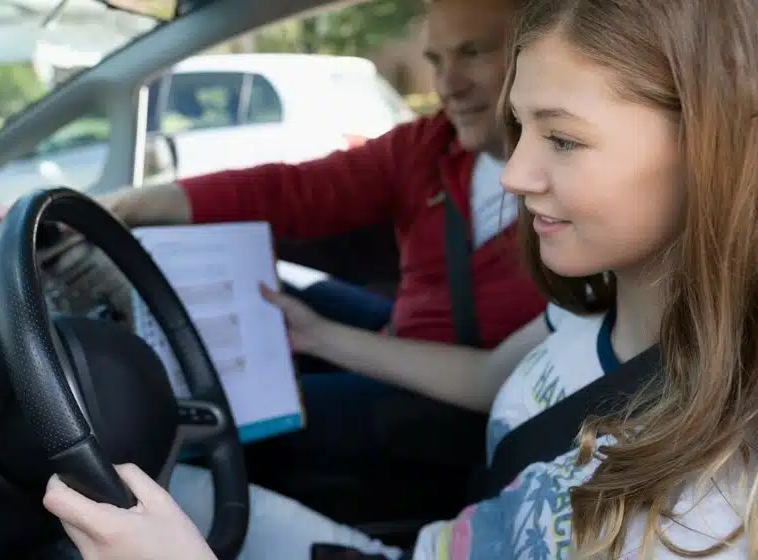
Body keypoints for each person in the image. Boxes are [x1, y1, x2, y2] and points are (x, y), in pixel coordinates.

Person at [41, 0, 758, 556]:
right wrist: (320, 335)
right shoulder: (586, 313)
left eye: (563, 138)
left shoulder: (709, 507)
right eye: (522, 125)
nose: (515, 174)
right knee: (179, 487)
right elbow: (485, 378)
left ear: (712, 144)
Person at [0, 0, 544, 518]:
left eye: (474, 52)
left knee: (217, 420)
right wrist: (117, 208)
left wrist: (324, 337)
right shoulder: (430, 147)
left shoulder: (575, 206)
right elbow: (289, 191)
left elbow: (497, 377)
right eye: (435, 59)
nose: (447, 84)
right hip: (402, 330)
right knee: (273, 289)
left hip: (449, 401)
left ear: (536, 53)